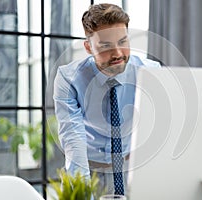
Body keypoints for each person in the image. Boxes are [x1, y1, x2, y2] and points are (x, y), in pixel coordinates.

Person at [53, 3, 161, 196]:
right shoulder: (69, 79)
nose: (118, 53)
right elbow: (73, 141)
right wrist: (82, 193)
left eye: (123, 41)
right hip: (89, 170)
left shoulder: (150, 72)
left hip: (134, 169)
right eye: (105, 46)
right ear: (88, 47)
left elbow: (159, 131)